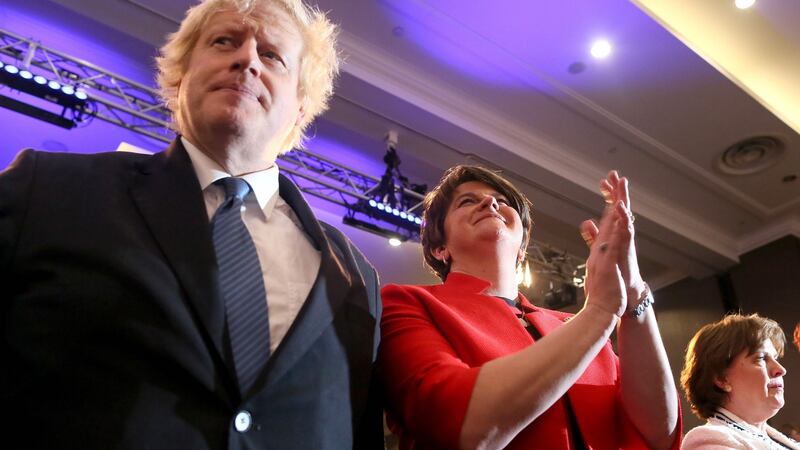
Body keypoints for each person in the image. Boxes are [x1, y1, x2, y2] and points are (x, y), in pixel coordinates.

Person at [0, 0, 383, 448]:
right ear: (179, 75)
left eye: (273, 55)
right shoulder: (46, 189)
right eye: (225, 41)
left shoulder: (356, 276)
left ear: (301, 107)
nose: (247, 60)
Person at [379, 165, 681, 449]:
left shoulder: (574, 326)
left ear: (523, 246)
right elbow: (458, 425)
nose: (490, 204)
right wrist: (600, 312)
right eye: (467, 201)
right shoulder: (408, 303)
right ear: (439, 247)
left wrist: (634, 292)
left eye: (500, 200)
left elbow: (656, 433)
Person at [680, 314, 799, 450]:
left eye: (776, 358)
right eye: (761, 358)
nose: (781, 370)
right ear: (721, 379)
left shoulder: (776, 439)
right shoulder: (708, 440)